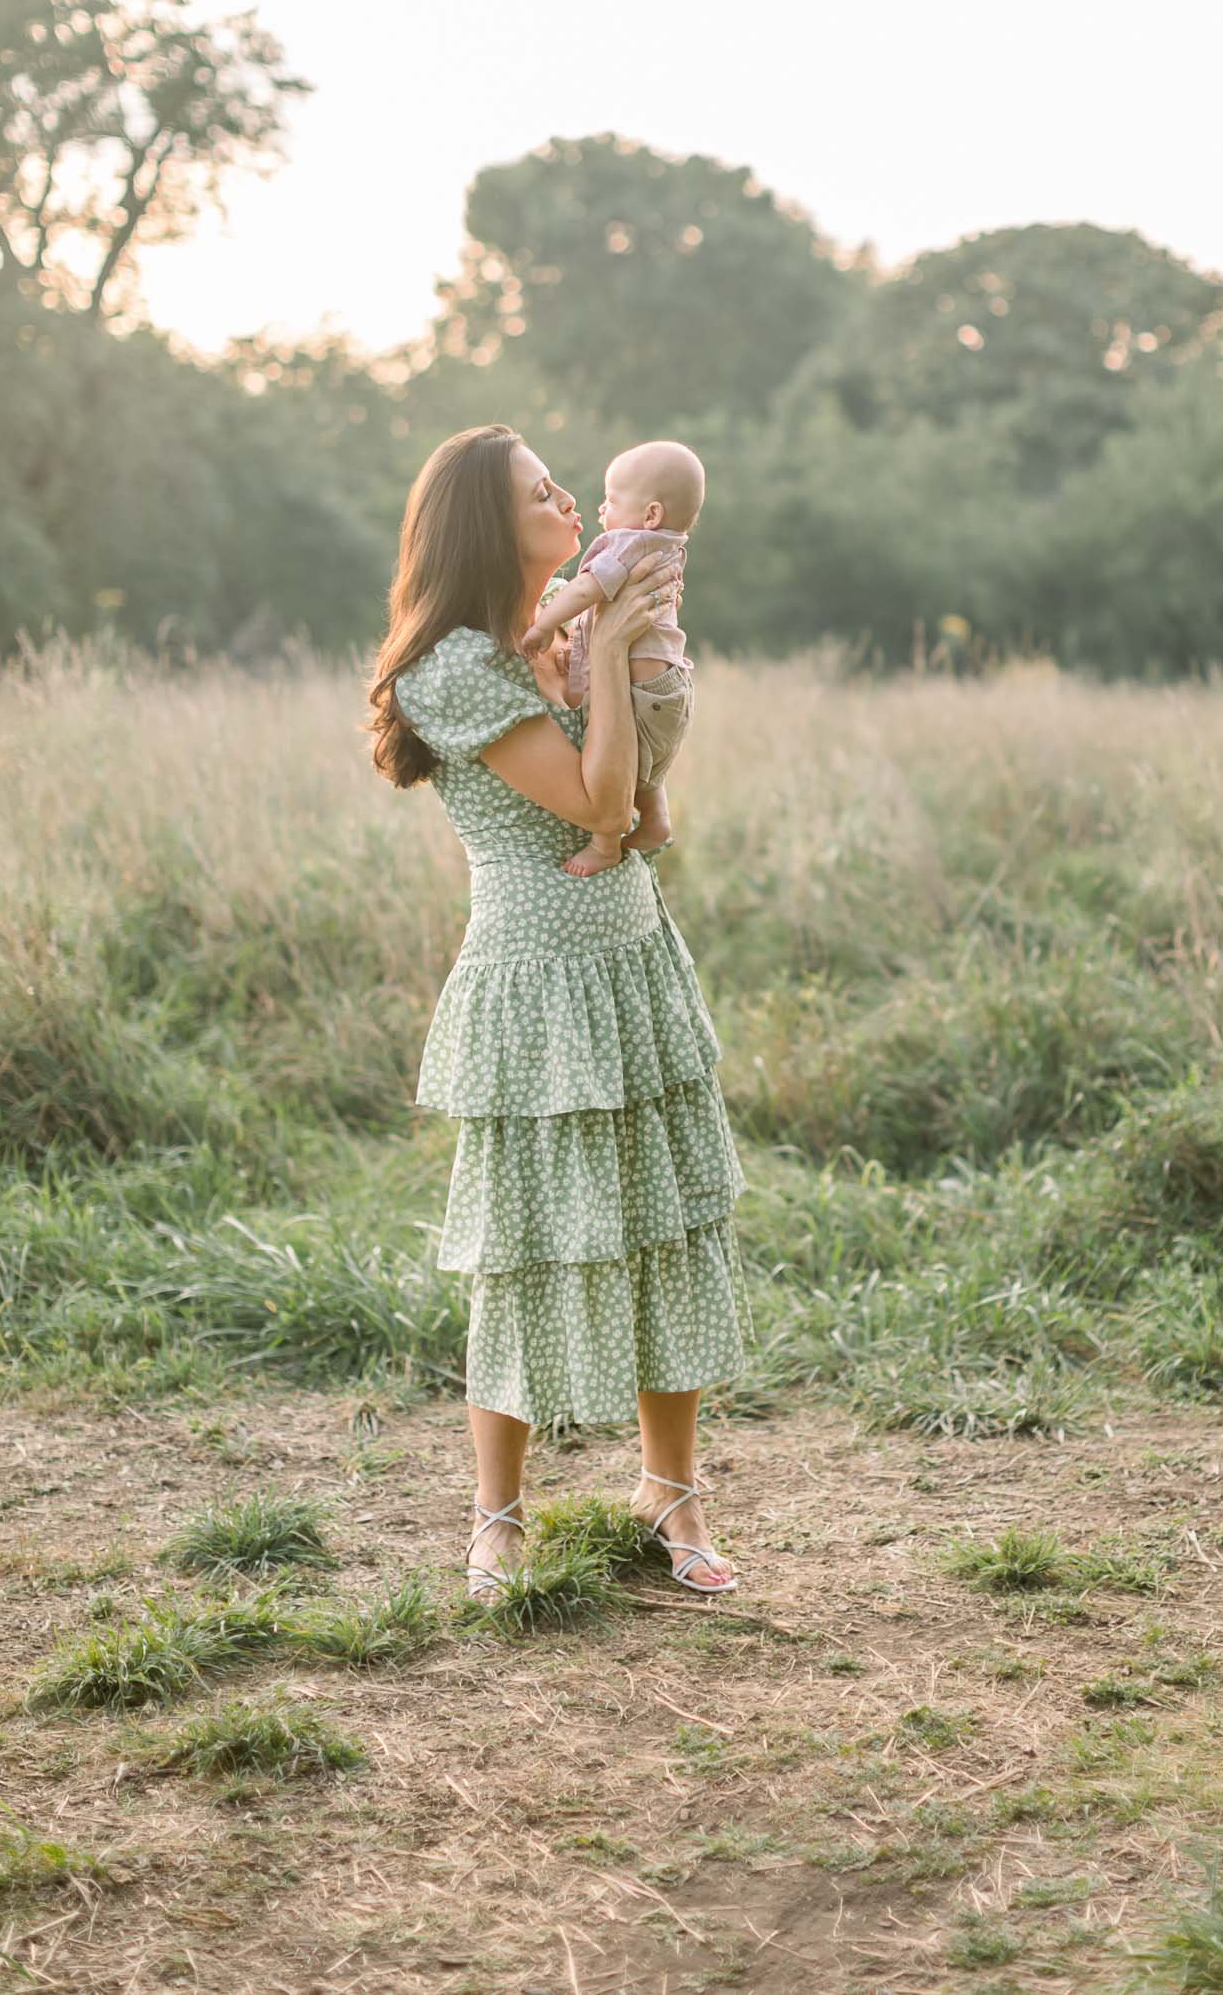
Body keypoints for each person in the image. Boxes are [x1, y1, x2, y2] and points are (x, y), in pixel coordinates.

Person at [367, 424, 754, 1598]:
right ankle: (497, 1512)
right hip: (536, 980)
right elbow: (596, 794)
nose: (569, 502)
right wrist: (621, 644)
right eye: (544, 492)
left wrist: (628, 657)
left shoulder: (575, 629)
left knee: (665, 1223)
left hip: (632, 952)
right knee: (524, 1245)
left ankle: (668, 1490)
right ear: (490, 522)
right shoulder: (454, 669)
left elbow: (635, 806)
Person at [519, 438, 703, 878]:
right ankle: (656, 821)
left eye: (611, 500)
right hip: (667, 687)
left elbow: (588, 591)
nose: (598, 510)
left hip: (643, 691)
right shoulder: (664, 545)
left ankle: (605, 845)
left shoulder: (626, 544)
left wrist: (544, 627)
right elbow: (606, 624)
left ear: (650, 514)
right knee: (644, 759)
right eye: (544, 494)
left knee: (621, 745)